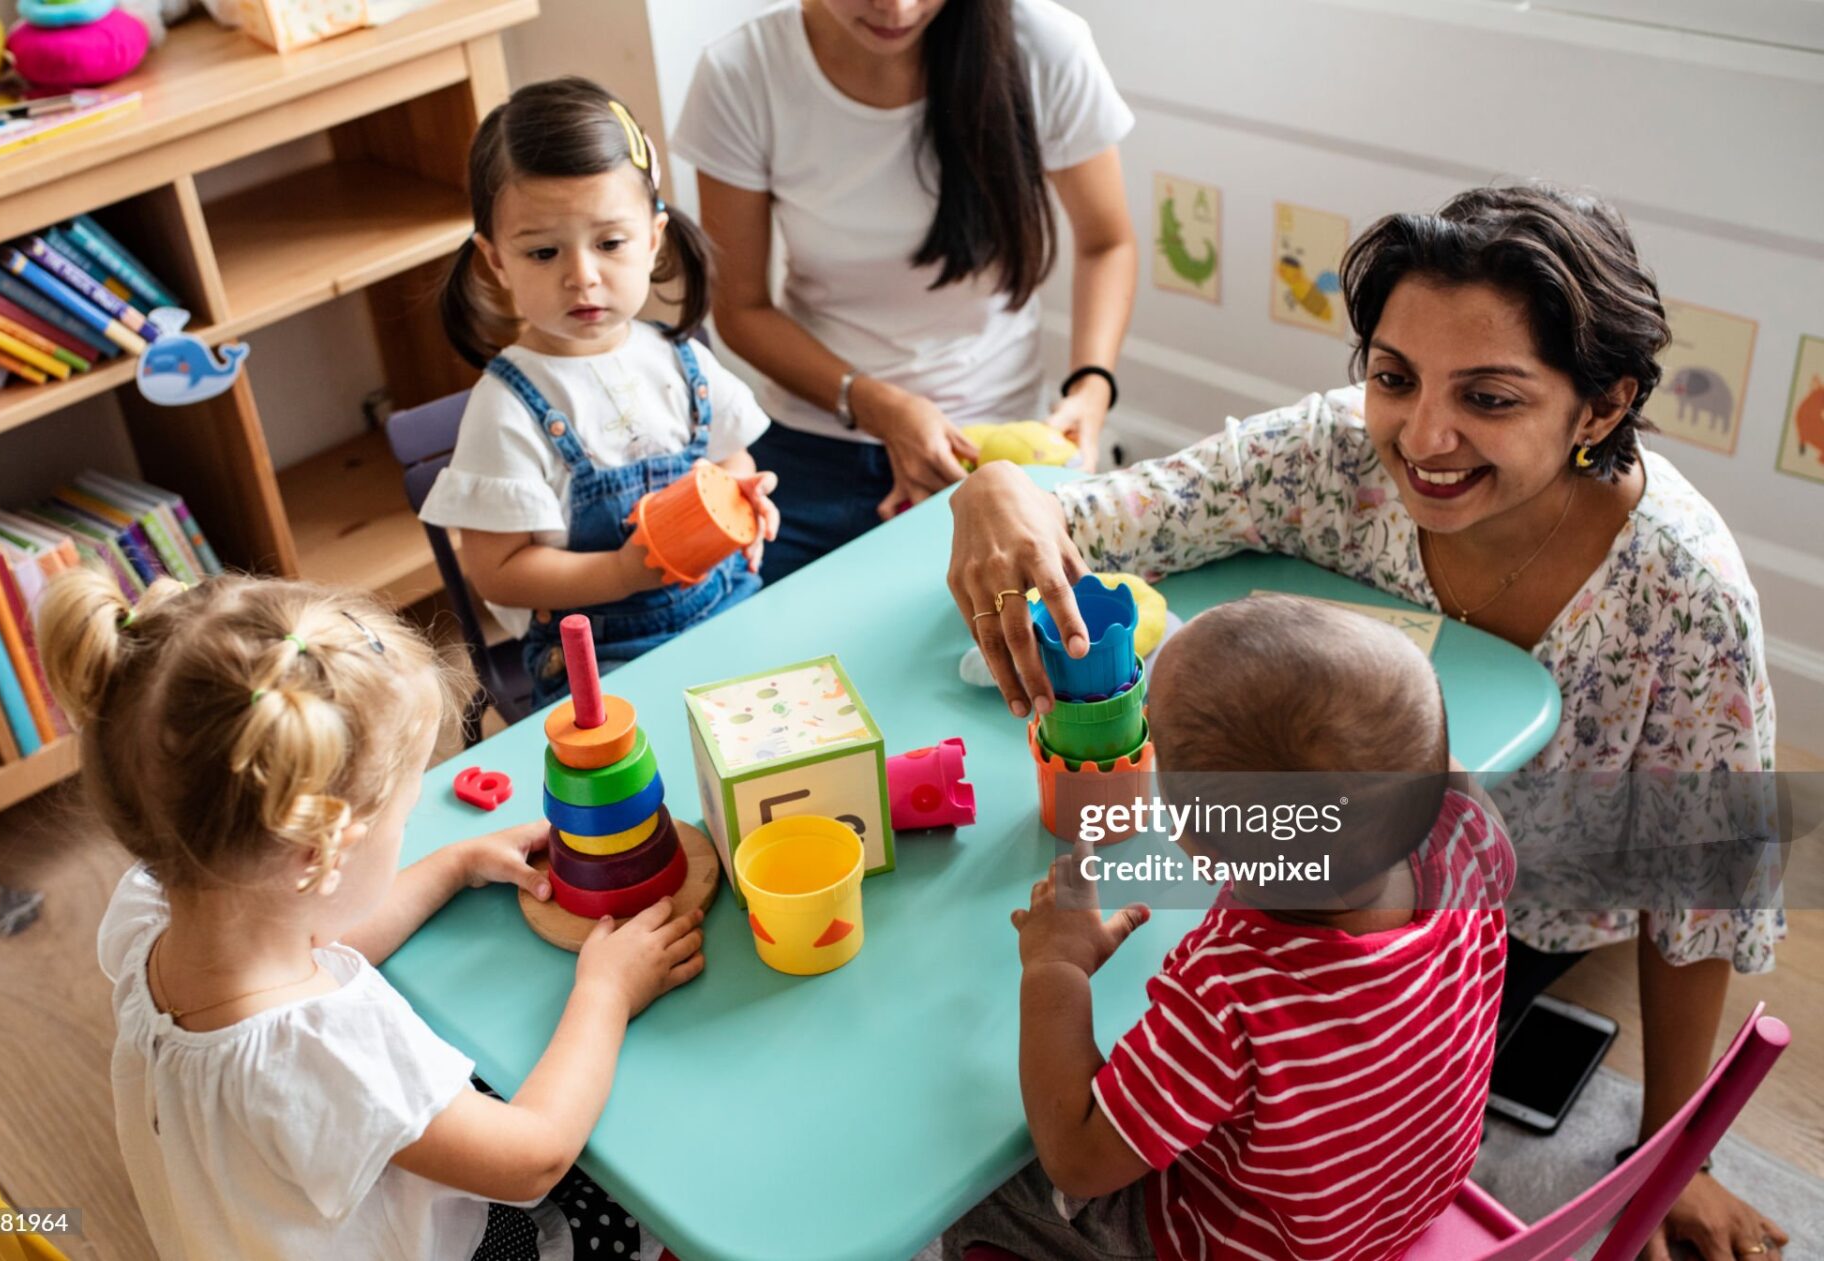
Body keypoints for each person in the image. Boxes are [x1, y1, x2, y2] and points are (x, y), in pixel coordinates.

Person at [946, 184, 1788, 1261]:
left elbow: (1699, 894)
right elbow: (1108, 515)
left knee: (1023, 1104)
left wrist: (1684, 1151)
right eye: (1393, 378)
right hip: (1411, 894)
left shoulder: (1686, 594)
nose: (1422, 436)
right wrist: (1001, 489)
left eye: (1489, 397)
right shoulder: (1331, 459)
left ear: (1602, 407)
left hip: (1497, 919)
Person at [41, 569, 704, 1260]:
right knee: (628, 1207)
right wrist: (606, 992)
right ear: (320, 855)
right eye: (405, 817)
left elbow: (313, 935)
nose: (410, 829)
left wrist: (450, 865)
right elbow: (533, 1155)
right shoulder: (325, 1051)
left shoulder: (152, 910)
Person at [947, 594, 1514, 1261]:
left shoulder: (1231, 992)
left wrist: (1057, 967)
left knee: (987, 1187)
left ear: (1196, 843)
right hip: (1393, 1204)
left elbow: (1077, 1154)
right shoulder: (1468, 838)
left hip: (1258, 1245)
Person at [673, 0, 1138, 580]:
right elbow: (740, 308)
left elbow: (1107, 244)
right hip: (815, 444)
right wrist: (881, 407)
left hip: (993, 447)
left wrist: (1091, 387)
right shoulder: (743, 73)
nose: (897, 7)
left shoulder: (1046, 47)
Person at [423, 78, 780, 709]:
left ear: (653, 237)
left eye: (610, 243)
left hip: (730, 608)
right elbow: (497, 570)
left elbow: (731, 458)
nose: (581, 276)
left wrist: (740, 501)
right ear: (495, 261)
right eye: (542, 252)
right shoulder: (507, 408)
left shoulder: (680, 359)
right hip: (606, 661)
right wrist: (621, 573)